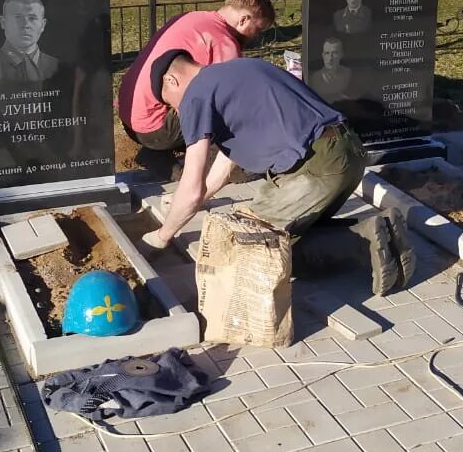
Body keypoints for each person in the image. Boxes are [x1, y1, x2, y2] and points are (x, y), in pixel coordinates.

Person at [142, 51, 415, 296]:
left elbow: (191, 189)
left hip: (316, 167)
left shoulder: (196, 96)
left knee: (257, 248)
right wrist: (197, 200)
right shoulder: (238, 71)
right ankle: (383, 228)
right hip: (349, 152)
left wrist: (162, 236)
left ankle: (363, 243)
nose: (176, 111)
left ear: (172, 81)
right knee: (293, 230)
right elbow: (222, 168)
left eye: (170, 104)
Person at [118, 0, 274, 154]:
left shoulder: (191, 17)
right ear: (244, 20)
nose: (257, 36)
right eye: (258, 29)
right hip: (155, 128)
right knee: (230, 112)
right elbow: (234, 104)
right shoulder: (225, 45)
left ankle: (158, 154)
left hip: (129, 115)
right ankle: (202, 164)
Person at [0, 0, 59, 85]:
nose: (25, 25)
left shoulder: (56, 66)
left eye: (32, 18)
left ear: (43, 25)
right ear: (3, 22)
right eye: (18, 17)